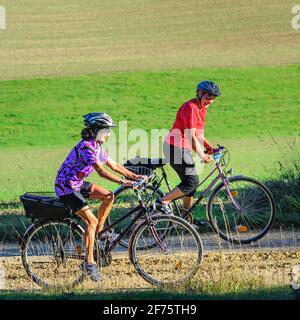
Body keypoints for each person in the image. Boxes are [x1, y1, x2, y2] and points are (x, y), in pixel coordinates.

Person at [54, 112, 144, 282]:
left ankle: (99, 233)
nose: (108, 134)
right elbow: (102, 172)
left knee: (109, 196)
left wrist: (133, 176)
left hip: (77, 184)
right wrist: (122, 182)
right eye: (106, 131)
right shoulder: (86, 147)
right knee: (91, 221)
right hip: (66, 187)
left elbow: (113, 165)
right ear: (96, 130)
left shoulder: (97, 146)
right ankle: (89, 263)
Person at [158, 80, 221, 223]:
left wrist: (210, 147)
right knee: (192, 182)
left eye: (212, 100)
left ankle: (185, 219)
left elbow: (198, 135)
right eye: (208, 98)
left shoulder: (201, 109)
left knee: (190, 184)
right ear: (199, 93)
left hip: (182, 149)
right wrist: (202, 155)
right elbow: (190, 135)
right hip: (174, 148)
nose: (210, 102)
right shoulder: (191, 108)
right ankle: (162, 202)